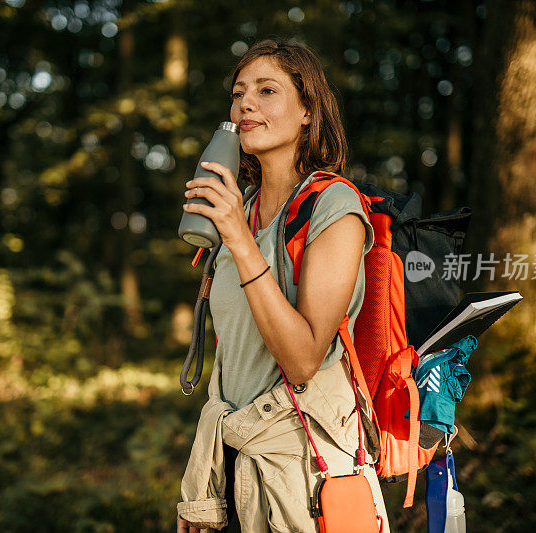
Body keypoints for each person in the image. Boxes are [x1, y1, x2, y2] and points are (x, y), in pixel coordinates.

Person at [177, 39, 390, 533]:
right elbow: (232, 367)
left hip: (304, 474)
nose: (245, 103)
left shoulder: (335, 205)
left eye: (267, 90)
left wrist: (237, 236)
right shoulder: (241, 208)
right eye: (239, 92)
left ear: (307, 112)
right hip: (232, 466)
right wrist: (202, 487)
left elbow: (301, 360)